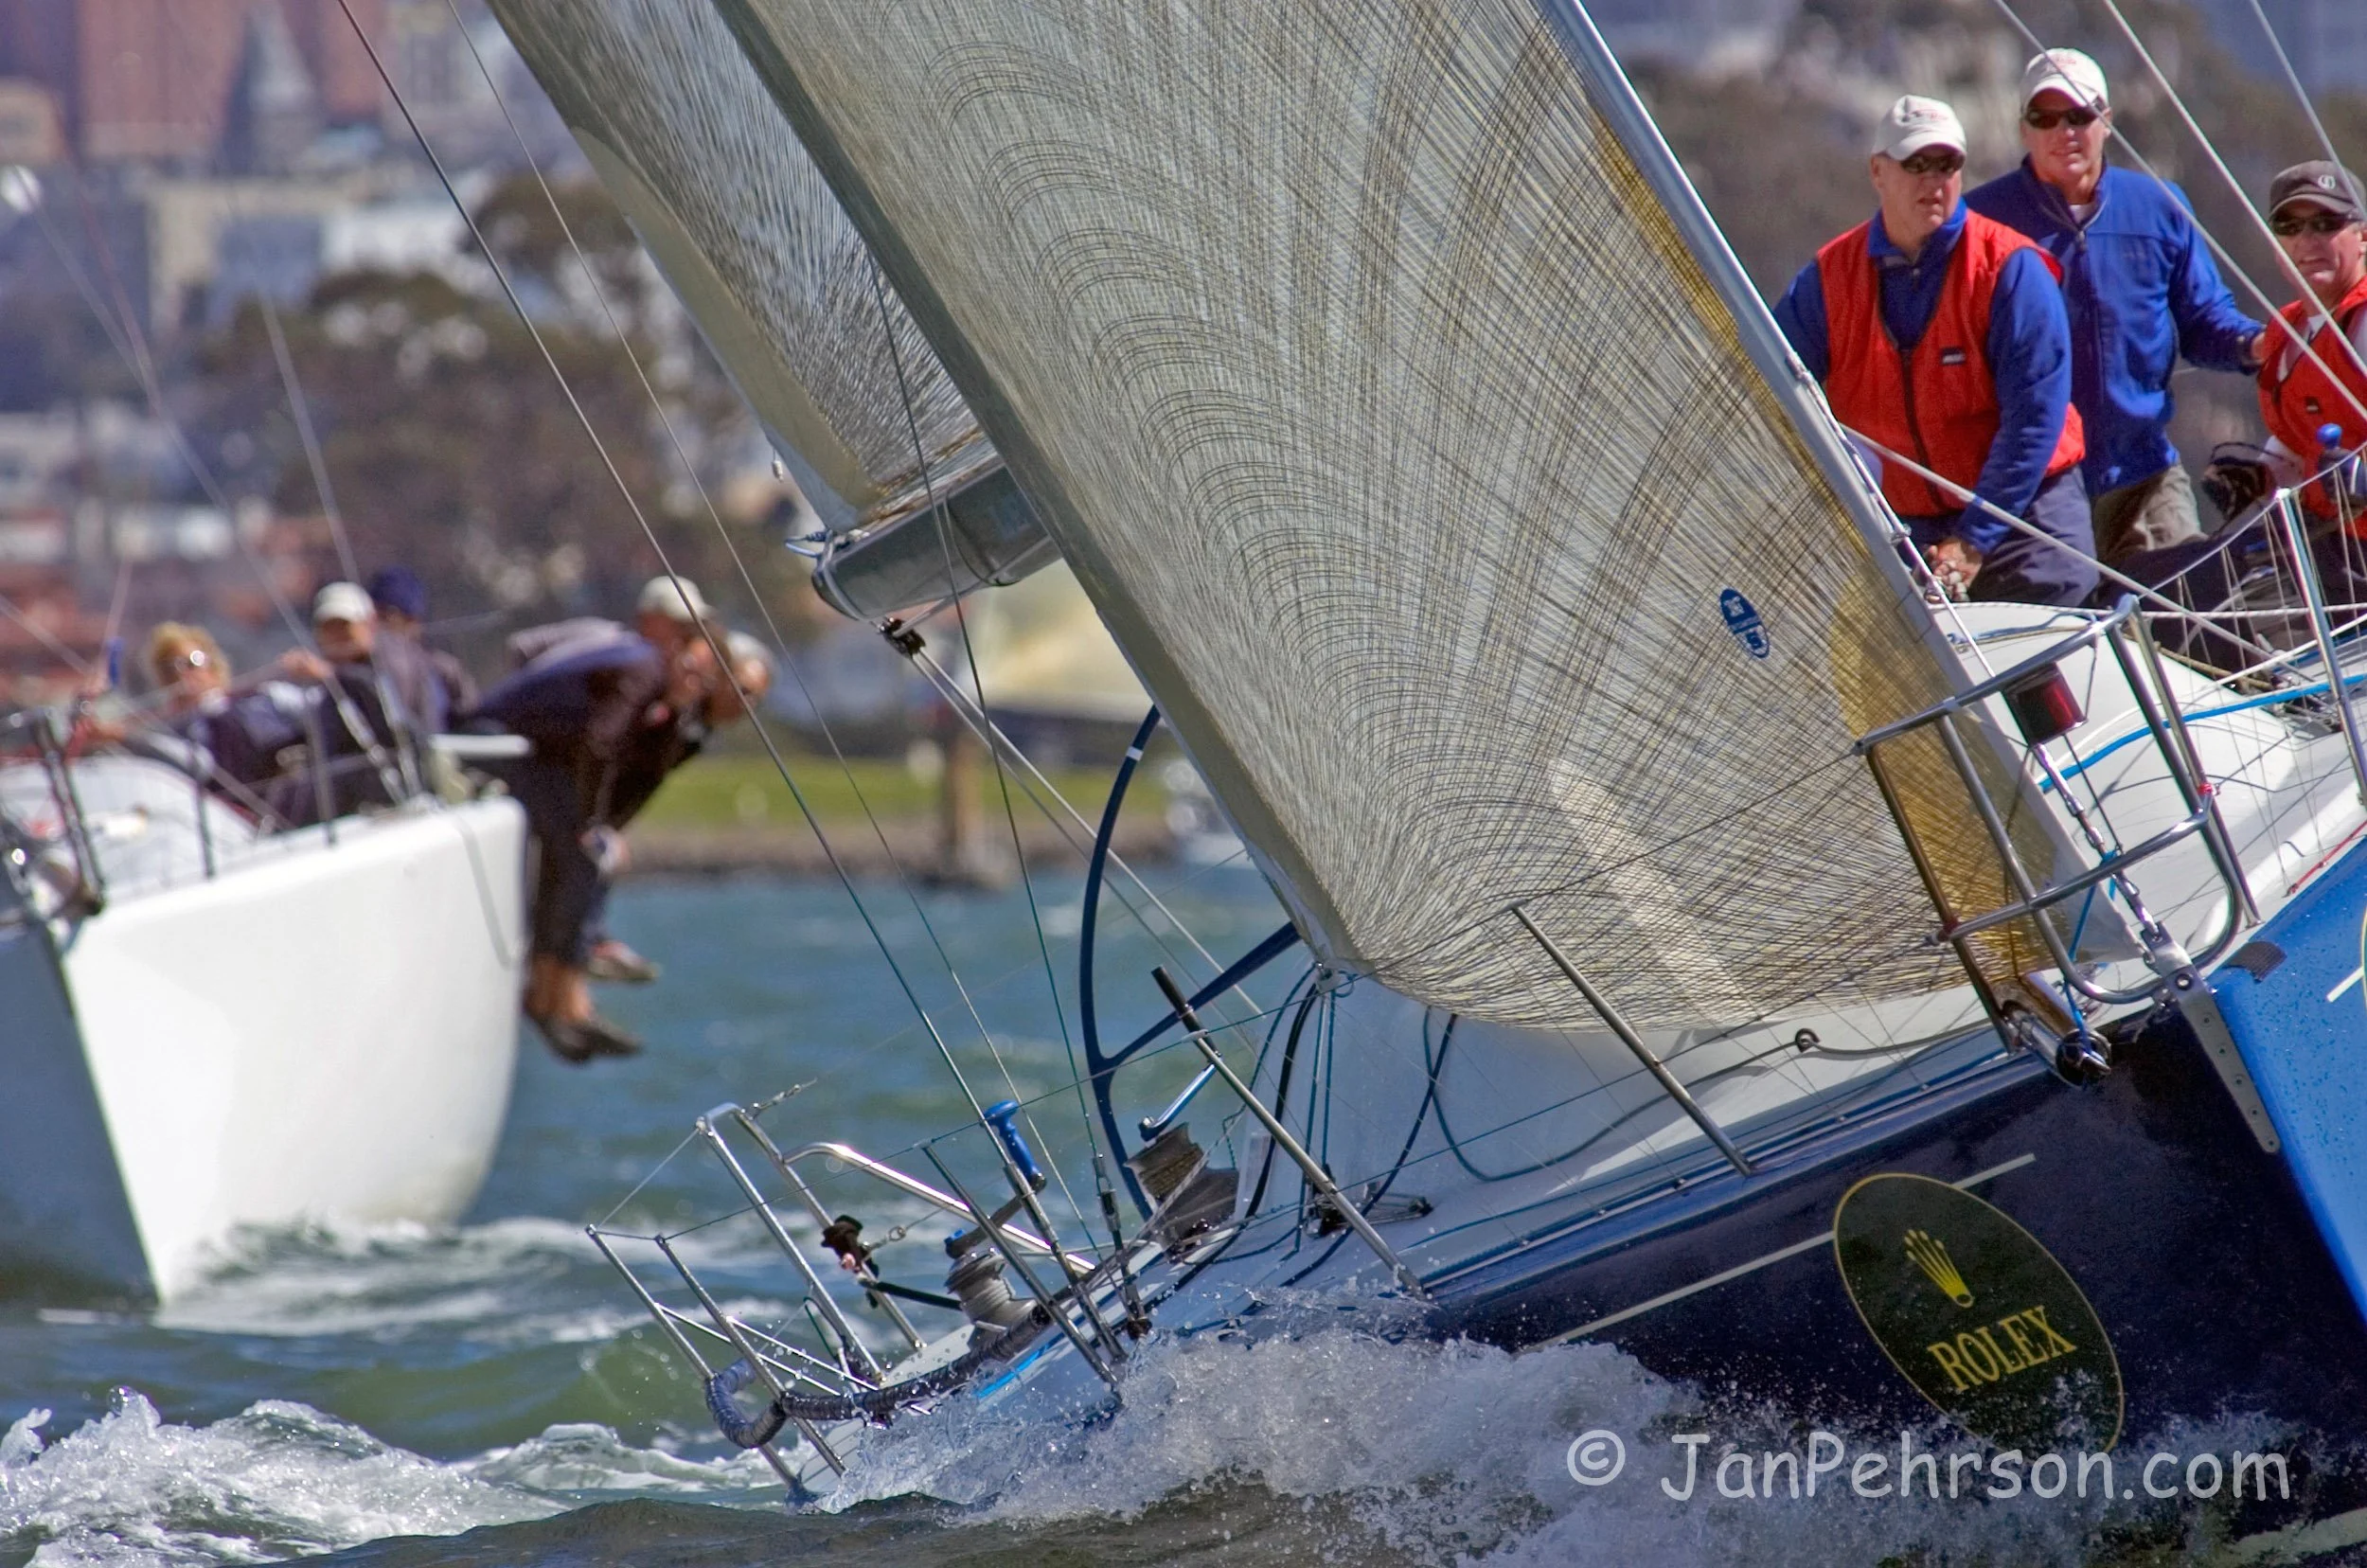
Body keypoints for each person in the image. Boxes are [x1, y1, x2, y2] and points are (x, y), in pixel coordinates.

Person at [1775, 95, 2098, 606]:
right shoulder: (1828, 279)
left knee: (2047, 648)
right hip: (1905, 528)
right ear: (1878, 172)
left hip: (2024, 517)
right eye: (1916, 164)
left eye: (1947, 164)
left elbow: (2035, 420)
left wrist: (1974, 541)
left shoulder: (2009, 268)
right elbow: (1771, 389)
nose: (1934, 180)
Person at [1965, 49, 2265, 566]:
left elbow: (2204, 322)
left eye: (2080, 115)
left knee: (2192, 627)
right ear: (2024, 131)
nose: (2066, 132)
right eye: (2046, 118)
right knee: (2058, 638)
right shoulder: (1980, 221)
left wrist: (2261, 344)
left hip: (2144, 475)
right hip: (2037, 488)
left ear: (2106, 122)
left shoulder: (2160, 206)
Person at [465, 626, 712, 1061]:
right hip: (500, 738)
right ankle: (548, 999)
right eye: (689, 666)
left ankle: (561, 1000)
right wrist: (592, 824)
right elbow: (600, 742)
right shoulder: (643, 669)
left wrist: (599, 827)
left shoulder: (662, 693)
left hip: (536, 751)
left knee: (583, 864)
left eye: (701, 679)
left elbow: (634, 768)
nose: (691, 681)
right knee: (581, 862)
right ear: (674, 651)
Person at [580, 629, 775, 986]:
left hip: (604, 813)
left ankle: (589, 939)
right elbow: (615, 752)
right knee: (599, 856)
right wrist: (595, 822)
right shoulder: (677, 708)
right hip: (579, 797)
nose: (746, 706)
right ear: (719, 678)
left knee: (603, 858)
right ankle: (587, 944)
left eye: (755, 701)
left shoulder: (700, 727)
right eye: (742, 690)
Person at [2205, 163, 2367, 540]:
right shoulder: (2285, 332)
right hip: (2324, 543)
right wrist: (2260, 477)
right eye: (2289, 227)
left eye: (2326, 223)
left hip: (2355, 556)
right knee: (2146, 579)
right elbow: (2299, 443)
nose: (2307, 240)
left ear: (2362, 236)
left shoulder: (2360, 322)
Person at [367, 565, 477, 722]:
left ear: (414, 621)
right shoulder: (356, 666)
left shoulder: (444, 671)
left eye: (389, 618)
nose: (381, 630)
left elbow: (471, 716)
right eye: (378, 618)